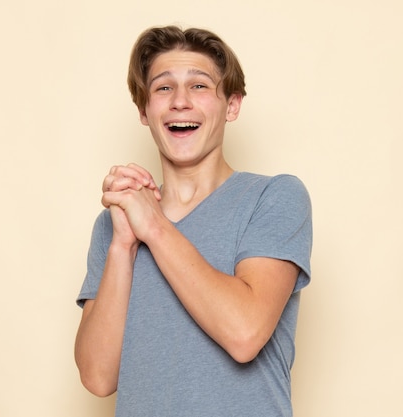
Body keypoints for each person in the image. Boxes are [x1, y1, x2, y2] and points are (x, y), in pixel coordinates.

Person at [74, 25, 312, 417]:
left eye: (200, 86)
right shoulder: (115, 225)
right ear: (144, 111)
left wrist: (153, 227)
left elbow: (244, 333)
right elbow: (98, 377)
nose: (180, 101)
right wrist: (122, 244)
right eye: (163, 88)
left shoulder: (274, 198)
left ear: (231, 106)